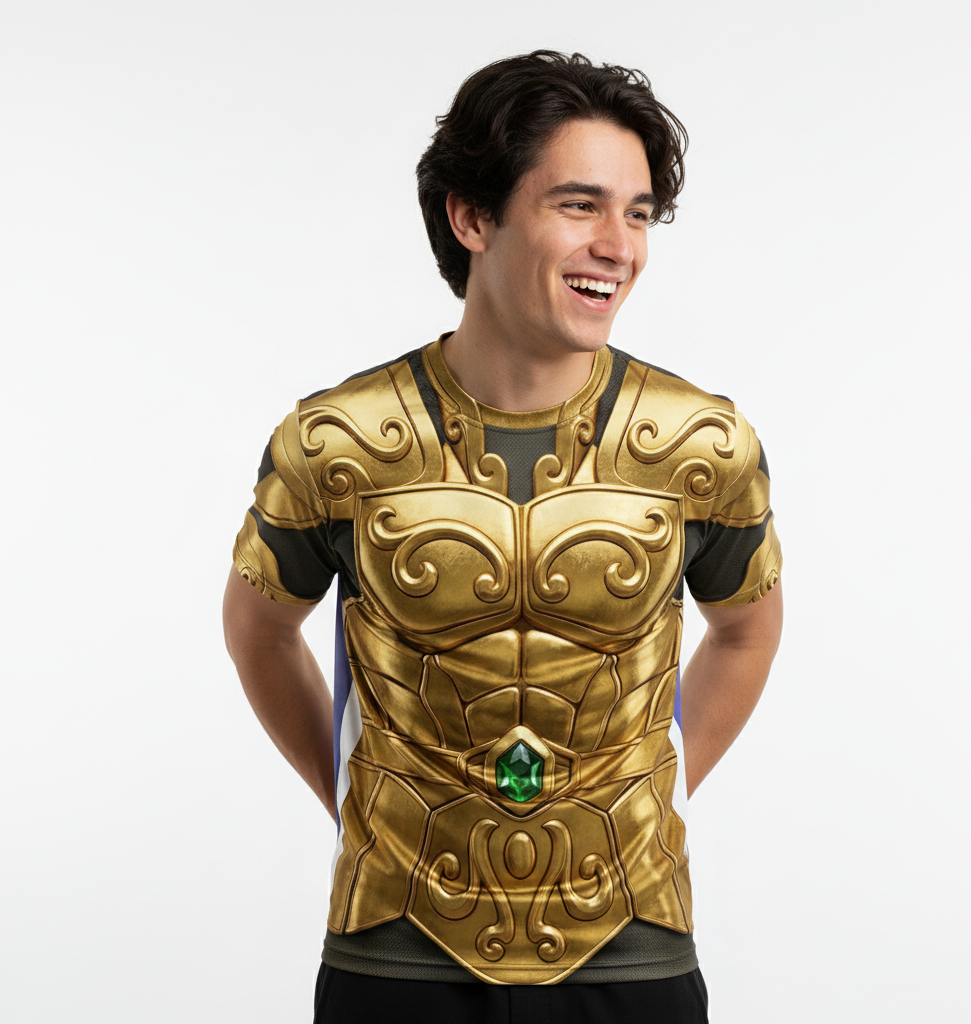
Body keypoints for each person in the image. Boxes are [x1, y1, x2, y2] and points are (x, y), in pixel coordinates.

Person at [223, 50, 783, 1024]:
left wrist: (644, 793)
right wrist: (356, 797)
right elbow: (259, 629)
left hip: (632, 956)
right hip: (396, 955)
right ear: (472, 217)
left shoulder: (701, 442)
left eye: (638, 213)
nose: (618, 245)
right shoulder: (337, 439)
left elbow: (747, 630)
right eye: (579, 205)